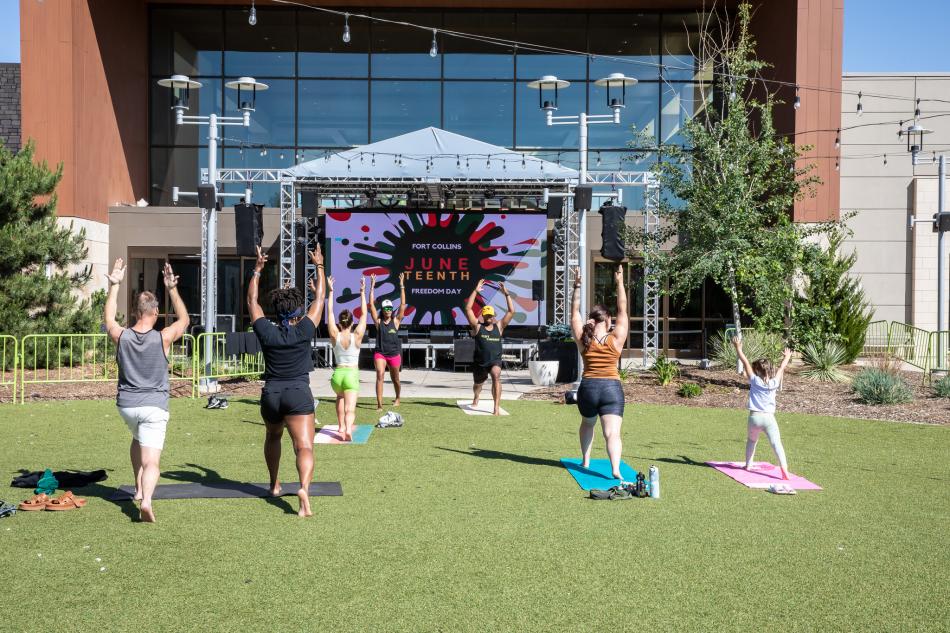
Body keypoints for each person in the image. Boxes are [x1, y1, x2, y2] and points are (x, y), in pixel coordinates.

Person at [104, 259, 189, 523]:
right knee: (152, 461)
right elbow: (184, 319)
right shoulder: (162, 337)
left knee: (137, 438)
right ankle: (147, 501)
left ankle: (138, 488)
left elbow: (108, 319)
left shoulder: (123, 336)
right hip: (153, 407)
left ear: (135, 311)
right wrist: (172, 289)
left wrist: (114, 285)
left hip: (127, 407)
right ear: (154, 312)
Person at [248, 246, 326, 518]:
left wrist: (258, 270)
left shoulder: (267, 331)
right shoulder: (304, 328)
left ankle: (274, 484)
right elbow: (321, 300)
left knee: (272, 436)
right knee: (304, 447)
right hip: (297, 393)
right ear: (297, 311)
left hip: (271, 393)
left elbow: (252, 303)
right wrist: (319, 266)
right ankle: (303, 488)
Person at [570, 265, 629, 481]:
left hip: (589, 388)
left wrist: (577, 285)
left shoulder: (583, 340)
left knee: (587, 423)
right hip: (611, 389)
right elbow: (623, 308)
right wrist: (620, 282)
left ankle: (585, 460)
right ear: (608, 321)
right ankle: (615, 469)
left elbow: (574, 312)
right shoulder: (616, 339)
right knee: (612, 433)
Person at [733, 338, 793, 480]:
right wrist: (787, 357)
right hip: (769, 418)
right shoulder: (774, 382)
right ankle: (784, 468)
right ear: (768, 370)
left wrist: (738, 348)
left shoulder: (754, 380)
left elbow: (745, 362)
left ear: (757, 371)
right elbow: (781, 368)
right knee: (776, 443)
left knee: (752, 441)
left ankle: (748, 465)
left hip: (755, 417)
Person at [463, 279, 515, 416]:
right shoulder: (478, 326)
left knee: (496, 375)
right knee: (477, 385)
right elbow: (468, 309)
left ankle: (496, 407)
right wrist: (475, 291)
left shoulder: (499, 326)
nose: (488, 317)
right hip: (480, 362)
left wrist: (507, 294)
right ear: (483, 316)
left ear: (494, 316)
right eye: (486, 315)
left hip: (495, 361)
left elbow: (511, 311)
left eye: (490, 315)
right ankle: (476, 396)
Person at [327, 274, 367, 442]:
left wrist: (331, 291)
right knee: (350, 408)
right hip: (351, 375)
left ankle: (341, 426)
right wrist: (362, 292)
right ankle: (348, 429)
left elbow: (329, 311)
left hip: (337, 376)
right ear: (351, 323)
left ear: (340, 323)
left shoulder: (334, 334)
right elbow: (364, 314)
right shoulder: (356, 335)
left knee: (340, 398)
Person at [368, 272, 408, 411]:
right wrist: (372, 287)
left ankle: (398, 398)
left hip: (394, 354)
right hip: (380, 353)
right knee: (380, 374)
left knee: (395, 379)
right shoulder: (378, 322)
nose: (389, 310)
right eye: (386, 308)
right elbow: (371, 306)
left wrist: (402, 285)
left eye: (390, 308)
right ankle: (379, 404)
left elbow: (403, 304)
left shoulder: (396, 321)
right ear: (383, 310)